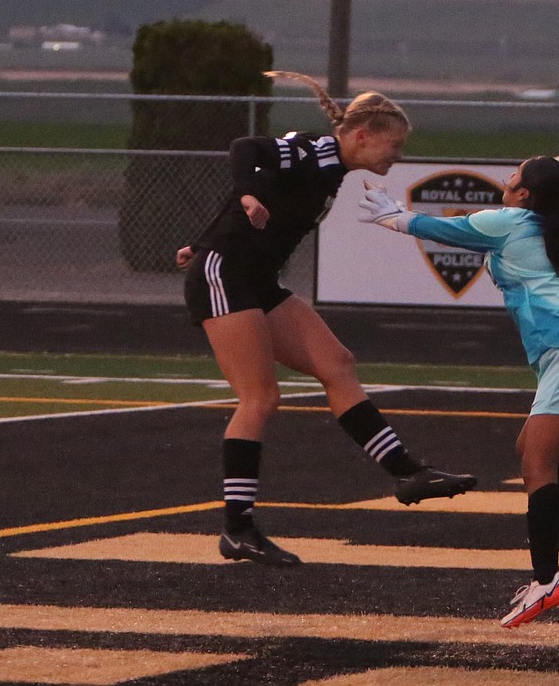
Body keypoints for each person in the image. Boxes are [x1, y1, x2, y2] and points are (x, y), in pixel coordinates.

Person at [176, 70, 476, 567]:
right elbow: (245, 149)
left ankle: (407, 472)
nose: (396, 154)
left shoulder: (330, 164)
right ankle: (237, 527)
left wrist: (209, 229)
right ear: (361, 136)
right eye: (393, 144)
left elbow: (261, 181)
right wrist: (239, 209)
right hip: (227, 272)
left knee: (337, 363)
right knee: (260, 398)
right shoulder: (319, 151)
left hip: (254, 277)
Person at [358, 155, 559, 627]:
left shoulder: (511, 220)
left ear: (525, 193)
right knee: (531, 450)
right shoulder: (545, 226)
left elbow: (449, 231)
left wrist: (391, 217)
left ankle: (546, 580)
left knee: (536, 464)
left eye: (516, 174)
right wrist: (395, 217)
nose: (508, 177)